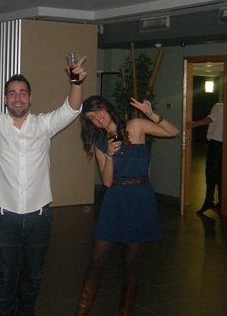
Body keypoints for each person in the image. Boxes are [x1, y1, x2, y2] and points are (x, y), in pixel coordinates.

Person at [0, 32, 86, 316]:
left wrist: (76, 83)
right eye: (12, 93)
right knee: (6, 278)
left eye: (23, 93)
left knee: (33, 278)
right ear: (5, 99)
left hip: (39, 217)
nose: (17, 97)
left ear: (31, 98)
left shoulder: (43, 125)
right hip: (4, 217)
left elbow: (72, 108)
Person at [74, 95, 179, 316]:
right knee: (97, 260)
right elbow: (106, 182)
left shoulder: (136, 126)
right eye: (91, 118)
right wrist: (109, 155)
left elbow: (173, 132)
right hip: (115, 199)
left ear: (106, 108)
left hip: (140, 197)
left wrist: (150, 114)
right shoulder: (100, 144)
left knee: (132, 262)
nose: (96, 118)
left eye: (97, 111)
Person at [189, 101, 224, 213]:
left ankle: (209, 200)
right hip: (225, 144)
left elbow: (210, 119)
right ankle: (221, 202)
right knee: (220, 173)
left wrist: (194, 124)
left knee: (210, 172)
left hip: (215, 143)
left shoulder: (219, 106)